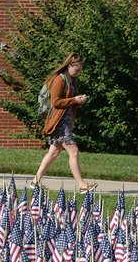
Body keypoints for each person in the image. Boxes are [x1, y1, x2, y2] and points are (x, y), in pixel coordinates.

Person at [31, 53, 96, 191]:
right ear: (70, 66)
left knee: (54, 152)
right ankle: (82, 185)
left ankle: (36, 181)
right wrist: (74, 100)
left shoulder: (72, 80)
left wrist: (79, 101)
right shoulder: (59, 79)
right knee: (74, 151)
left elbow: (68, 102)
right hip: (59, 122)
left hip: (65, 121)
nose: (79, 72)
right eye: (77, 69)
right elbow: (56, 102)